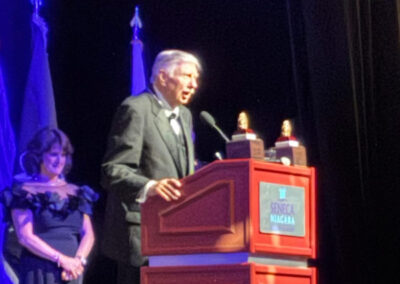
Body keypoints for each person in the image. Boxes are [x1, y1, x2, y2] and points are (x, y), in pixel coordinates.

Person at [101, 49, 201, 284]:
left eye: (195, 78)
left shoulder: (184, 115)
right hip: (142, 236)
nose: (194, 84)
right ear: (163, 77)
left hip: (176, 233)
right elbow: (113, 170)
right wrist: (150, 187)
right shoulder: (136, 109)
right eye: (187, 76)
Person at [4, 128, 98, 284]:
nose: (59, 160)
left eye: (63, 155)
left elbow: (88, 233)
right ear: (40, 155)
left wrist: (78, 261)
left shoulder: (77, 192)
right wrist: (62, 260)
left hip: (72, 272)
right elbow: (25, 237)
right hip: (40, 269)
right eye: (54, 154)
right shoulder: (24, 192)